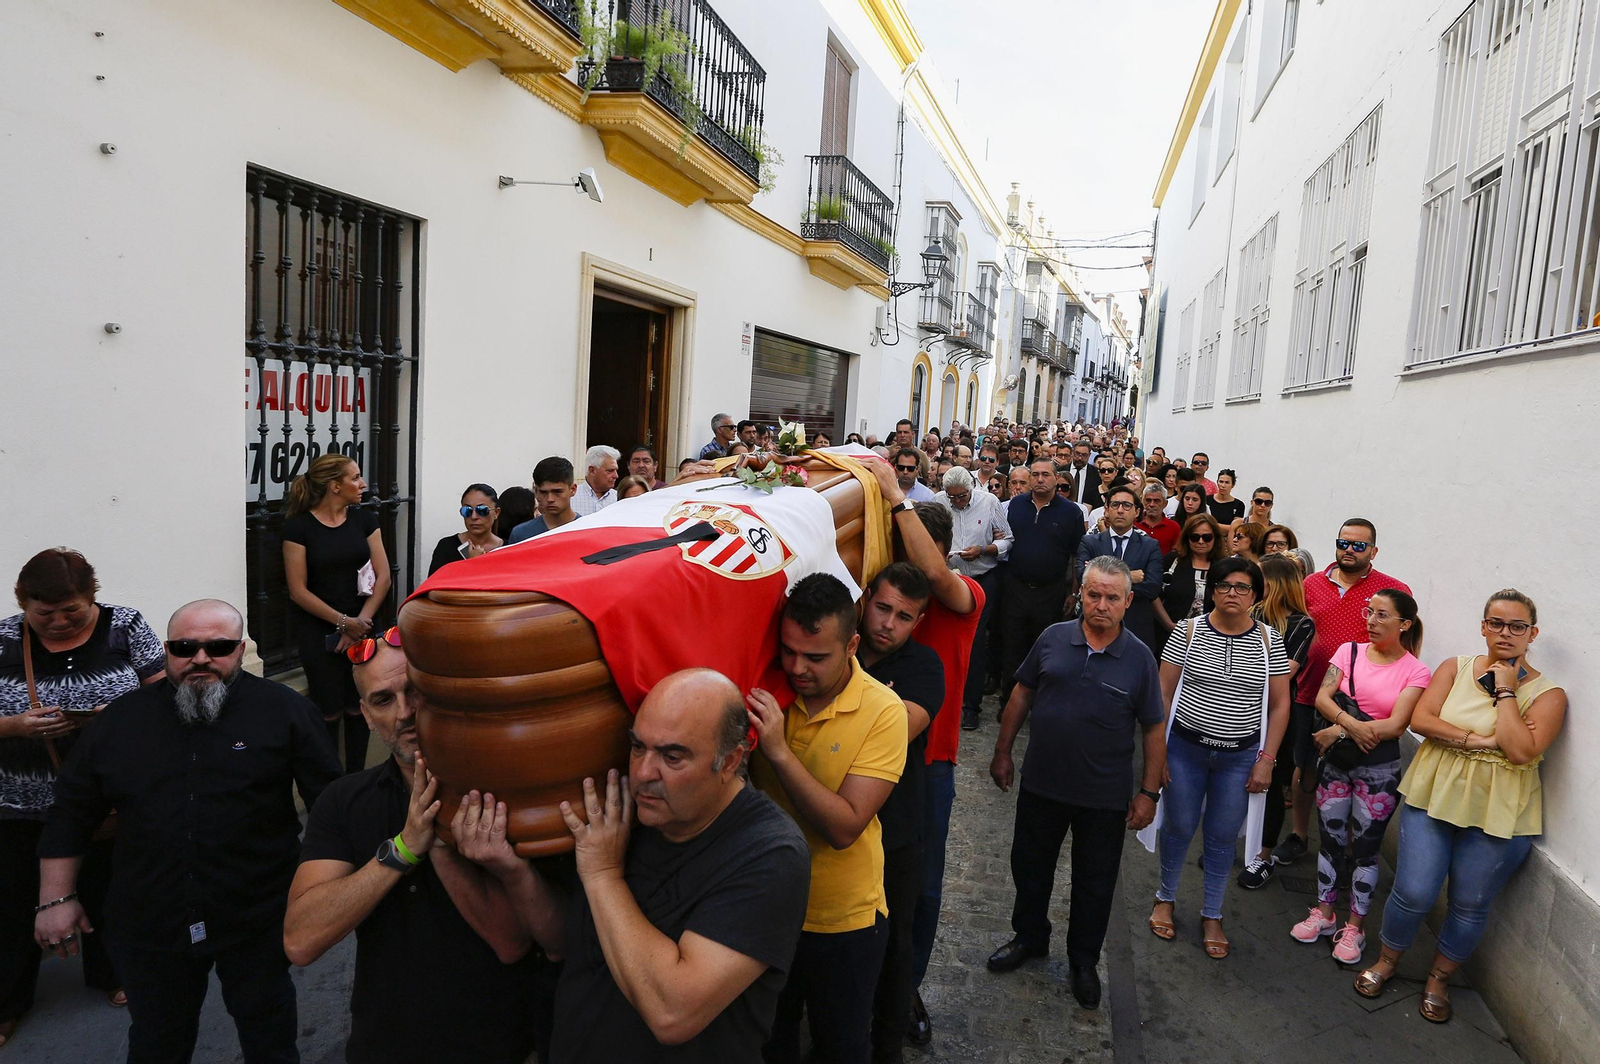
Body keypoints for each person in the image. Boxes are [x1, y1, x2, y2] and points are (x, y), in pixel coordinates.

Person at [35, 600, 340, 1064]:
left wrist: (330, 895)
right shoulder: (120, 721)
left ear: (240, 649)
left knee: (268, 1032)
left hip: (256, 913)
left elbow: (329, 806)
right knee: (158, 1041)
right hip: (151, 918)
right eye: (184, 647)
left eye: (218, 647)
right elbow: (72, 811)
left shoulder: (286, 710)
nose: (200, 658)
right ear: (166, 650)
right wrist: (56, 899)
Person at [285, 628, 560, 1064]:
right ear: (366, 715)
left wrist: (443, 845)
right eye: (383, 700)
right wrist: (403, 849)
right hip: (382, 1048)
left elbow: (514, 943)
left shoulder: (508, 790)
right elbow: (301, 940)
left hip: (498, 1046)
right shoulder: (345, 801)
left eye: (415, 691)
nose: (405, 712)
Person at [554, 669, 811, 1060]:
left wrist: (603, 875)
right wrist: (511, 871)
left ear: (731, 761)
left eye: (672, 757)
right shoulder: (625, 819)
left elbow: (672, 1013)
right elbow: (565, 943)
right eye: (637, 747)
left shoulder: (771, 853)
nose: (643, 774)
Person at [1354, 590, 1566, 1024]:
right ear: (1483, 626)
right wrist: (1481, 740)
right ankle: (1387, 961)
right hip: (1436, 792)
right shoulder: (1456, 667)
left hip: (1499, 812)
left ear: (1533, 634)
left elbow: (1521, 751)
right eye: (1496, 623)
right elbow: (1421, 720)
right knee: (1414, 891)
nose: (1505, 633)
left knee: (1469, 903)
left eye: (1517, 626)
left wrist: (1506, 692)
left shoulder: (1550, 695)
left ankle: (1439, 980)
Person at [986, 557, 1164, 1009]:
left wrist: (1148, 793)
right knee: (1030, 866)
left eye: (1112, 598)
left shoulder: (1140, 659)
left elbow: (1152, 728)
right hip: (1042, 784)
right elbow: (1022, 693)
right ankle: (1030, 937)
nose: (1101, 605)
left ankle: (1083, 961)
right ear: (1080, 593)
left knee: (1095, 882)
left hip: (1103, 797)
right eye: (1093, 594)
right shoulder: (1052, 638)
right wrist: (1003, 751)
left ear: (1128, 601)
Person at [748, 574, 908, 1064]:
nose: (797, 668)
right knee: (768, 1042)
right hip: (767, 911)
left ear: (852, 645)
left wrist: (777, 752)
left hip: (843, 920)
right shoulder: (768, 687)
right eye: (788, 651)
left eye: (815, 657)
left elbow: (845, 826)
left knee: (841, 1046)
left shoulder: (884, 711)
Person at [1, 550, 157, 1042]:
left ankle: (114, 972)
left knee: (113, 889)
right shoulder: (3, 639)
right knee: (11, 900)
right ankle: (6, 999)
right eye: (44, 613)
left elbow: (166, 694)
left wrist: (122, 715)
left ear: (93, 596)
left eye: (73, 610)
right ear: (22, 602)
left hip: (109, 796)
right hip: (20, 801)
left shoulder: (125, 626)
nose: (60, 621)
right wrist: (13, 726)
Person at [860, 460, 982, 1049]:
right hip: (867, 756)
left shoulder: (965, 593)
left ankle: (905, 990)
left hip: (929, 764)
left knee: (922, 889)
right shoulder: (881, 598)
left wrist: (893, 492)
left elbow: (932, 573)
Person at [1146, 559, 1291, 959]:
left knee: (1222, 835)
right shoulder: (1187, 631)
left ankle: (1212, 913)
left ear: (1256, 595)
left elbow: (1280, 705)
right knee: (1179, 826)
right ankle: (1165, 897)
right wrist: (1158, 754)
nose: (1232, 593)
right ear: (1211, 590)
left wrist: (1267, 759)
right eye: (1224, 585)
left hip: (1238, 759)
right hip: (1185, 750)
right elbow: (1162, 693)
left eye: (1243, 587)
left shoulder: (1269, 640)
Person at [1289, 589, 1429, 964]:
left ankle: (1355, 926)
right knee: (1330, 840)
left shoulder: (1416, 671)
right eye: (1370, 612)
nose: (1371, 621)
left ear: (1405, 624)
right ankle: (1324, 912)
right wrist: (1349, 726)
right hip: (1337, 764)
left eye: (1382, 615)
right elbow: (1322, 698)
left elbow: (1396, 725)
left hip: (1379, 770)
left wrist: (1337, 730)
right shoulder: (1347, 652)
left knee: (1366, 850)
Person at [1276, 520, 1411, 869]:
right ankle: (1299, 835)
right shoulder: (1310, 584)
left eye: (1359, 545)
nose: (1349, 550)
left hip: (1361, 704)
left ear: (1374, 551)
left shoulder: (1393, 590)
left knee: (1353, 773)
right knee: (1305, 766)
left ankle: (1348, 851)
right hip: (1308, 691)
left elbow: (1402, 649)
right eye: (1343, 543)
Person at [853, 565, 944, 1064]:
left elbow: (895, 733)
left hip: (896, 832)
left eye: (903, 617)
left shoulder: (925, 666)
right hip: (833, 829)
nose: (888, 624)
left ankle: (887, 1046)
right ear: (866, 599)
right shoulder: (837, 646)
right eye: (883, 608)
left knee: (894, 945)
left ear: (919, 621)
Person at [282, 452, 391, 773]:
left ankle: (357, 777)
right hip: (319, 631)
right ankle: (332, 784)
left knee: (361, 707)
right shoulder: (298, 527)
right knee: (328, 710)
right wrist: (343, 623)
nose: (363, 484)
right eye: (355, 478)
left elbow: (383, 576)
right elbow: (298, 590)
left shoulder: (365, 520)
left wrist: (359, 624)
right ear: (334, 486)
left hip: (364, 625)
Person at [1239, 554, 1317, 891]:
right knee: (1236, 777)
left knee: (1268, 783)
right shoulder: (1250, 613)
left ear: (1275, 583)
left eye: (1258, 578)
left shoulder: (1302, 624)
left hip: (1277, 713)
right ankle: (1234, 843)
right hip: (1240, 708)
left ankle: (1264, 855)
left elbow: (1285, 672)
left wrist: (1242, 667)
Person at [999, 458, 1087, 709]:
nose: (1039, 479)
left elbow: (1076, 556)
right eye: (1035, 474)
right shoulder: (1016, 505)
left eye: (1045, 474)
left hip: (1051, 592)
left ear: (1056, 478)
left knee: (1045, 649)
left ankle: (1040, 704)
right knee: (1012, 646)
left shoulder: (1071, 512)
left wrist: (1073, 592)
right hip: (1015, 588)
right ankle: (1008, 703)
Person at [935, 468, 1010, 732]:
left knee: (975, 642)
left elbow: (1007, 540)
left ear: (971, 488)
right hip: (949, 580)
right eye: (952, 497)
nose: (957, 502)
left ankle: (971, 707)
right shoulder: (938, 502)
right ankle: (943, 701)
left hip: (982, 578)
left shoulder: (989, 502)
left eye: (962, 496)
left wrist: (985, 549)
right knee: (947, 640)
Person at [1076, 484, 1164, 649]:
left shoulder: (1150, 546)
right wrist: (1129, 577)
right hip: (1094, 627)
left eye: (1127, 505)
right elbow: (1083, 577)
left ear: (1137, 512)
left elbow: (1153, 587)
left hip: (1135, 628)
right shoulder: (1090, 542)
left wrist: (1100, 580)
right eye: (1115, 505)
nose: (1120, 510)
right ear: (1107, 510)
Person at [1154, 513, 1227, 656]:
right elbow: (1154, 594)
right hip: (1169, 638)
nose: (1201, 541)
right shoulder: (1172, 561)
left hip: (1212, 642)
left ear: (1215, 538)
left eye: (1207, 537)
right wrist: (1169, 625)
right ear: (1186, 538)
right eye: (1195, 537)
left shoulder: (1225, 567)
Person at [428, 483, 502, 575]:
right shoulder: (446, 547)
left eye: (482, 510)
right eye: (467, 510)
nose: (474, 517)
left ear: (496, 513)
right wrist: (471, 565)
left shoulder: (508, 548)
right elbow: (435, 584)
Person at [508, 457, 581, 544]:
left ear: (572, 489)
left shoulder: (588, 529)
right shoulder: (521, 534)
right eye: (543, 492)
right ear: (536, 491)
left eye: (557, 492)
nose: (550, 499)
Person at [573, 445, 621, 517]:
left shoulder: (618, 499)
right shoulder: (571, 497)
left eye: (616, 470)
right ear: (592, 470)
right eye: (610, 471)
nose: (616, 476)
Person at [1136, 483, 1181, 556]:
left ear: (1165, 503)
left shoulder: (1174, 527)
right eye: (1148, 500)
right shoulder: (1133, 524)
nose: (1152, 504)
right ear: (1143, 501)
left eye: (1156, 501)